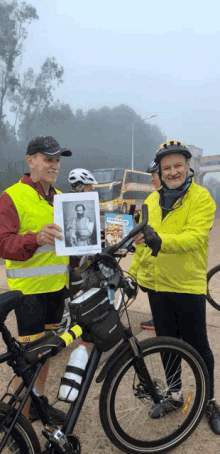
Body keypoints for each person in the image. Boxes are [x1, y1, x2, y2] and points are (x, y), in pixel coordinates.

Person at [128, 139, 220, 434]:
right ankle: (174, 394)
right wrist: (134, 276)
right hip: (158, 287)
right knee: (167, 344)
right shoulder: (152, 200)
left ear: (188, 166)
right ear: (160, 170)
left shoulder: (202, 198)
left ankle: (210, 400)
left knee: (198, 346)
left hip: (187, 286)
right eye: (166, 167)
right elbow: (142, 243)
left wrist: (161, 241)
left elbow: (195, 238)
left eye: (178, 165)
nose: (172, 172)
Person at [0, 135, 72, 424]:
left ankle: (38, 404)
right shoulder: (11, 196)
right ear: (30, 161)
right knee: (30, 360)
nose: (54, 165)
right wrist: (35, 237)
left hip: (57, 290)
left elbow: (72, 245)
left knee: (47, 353)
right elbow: (3, 243)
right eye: (47, 159)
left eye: (57, 160)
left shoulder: (63, 198)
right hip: (28, 293)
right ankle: (17, 420)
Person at [140, 160, 161, 330]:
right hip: (151, 264)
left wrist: (159, 240)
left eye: (153, 175)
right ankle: (157, 320)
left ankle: (159, 320)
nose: (151, 179)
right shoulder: (151, 198)